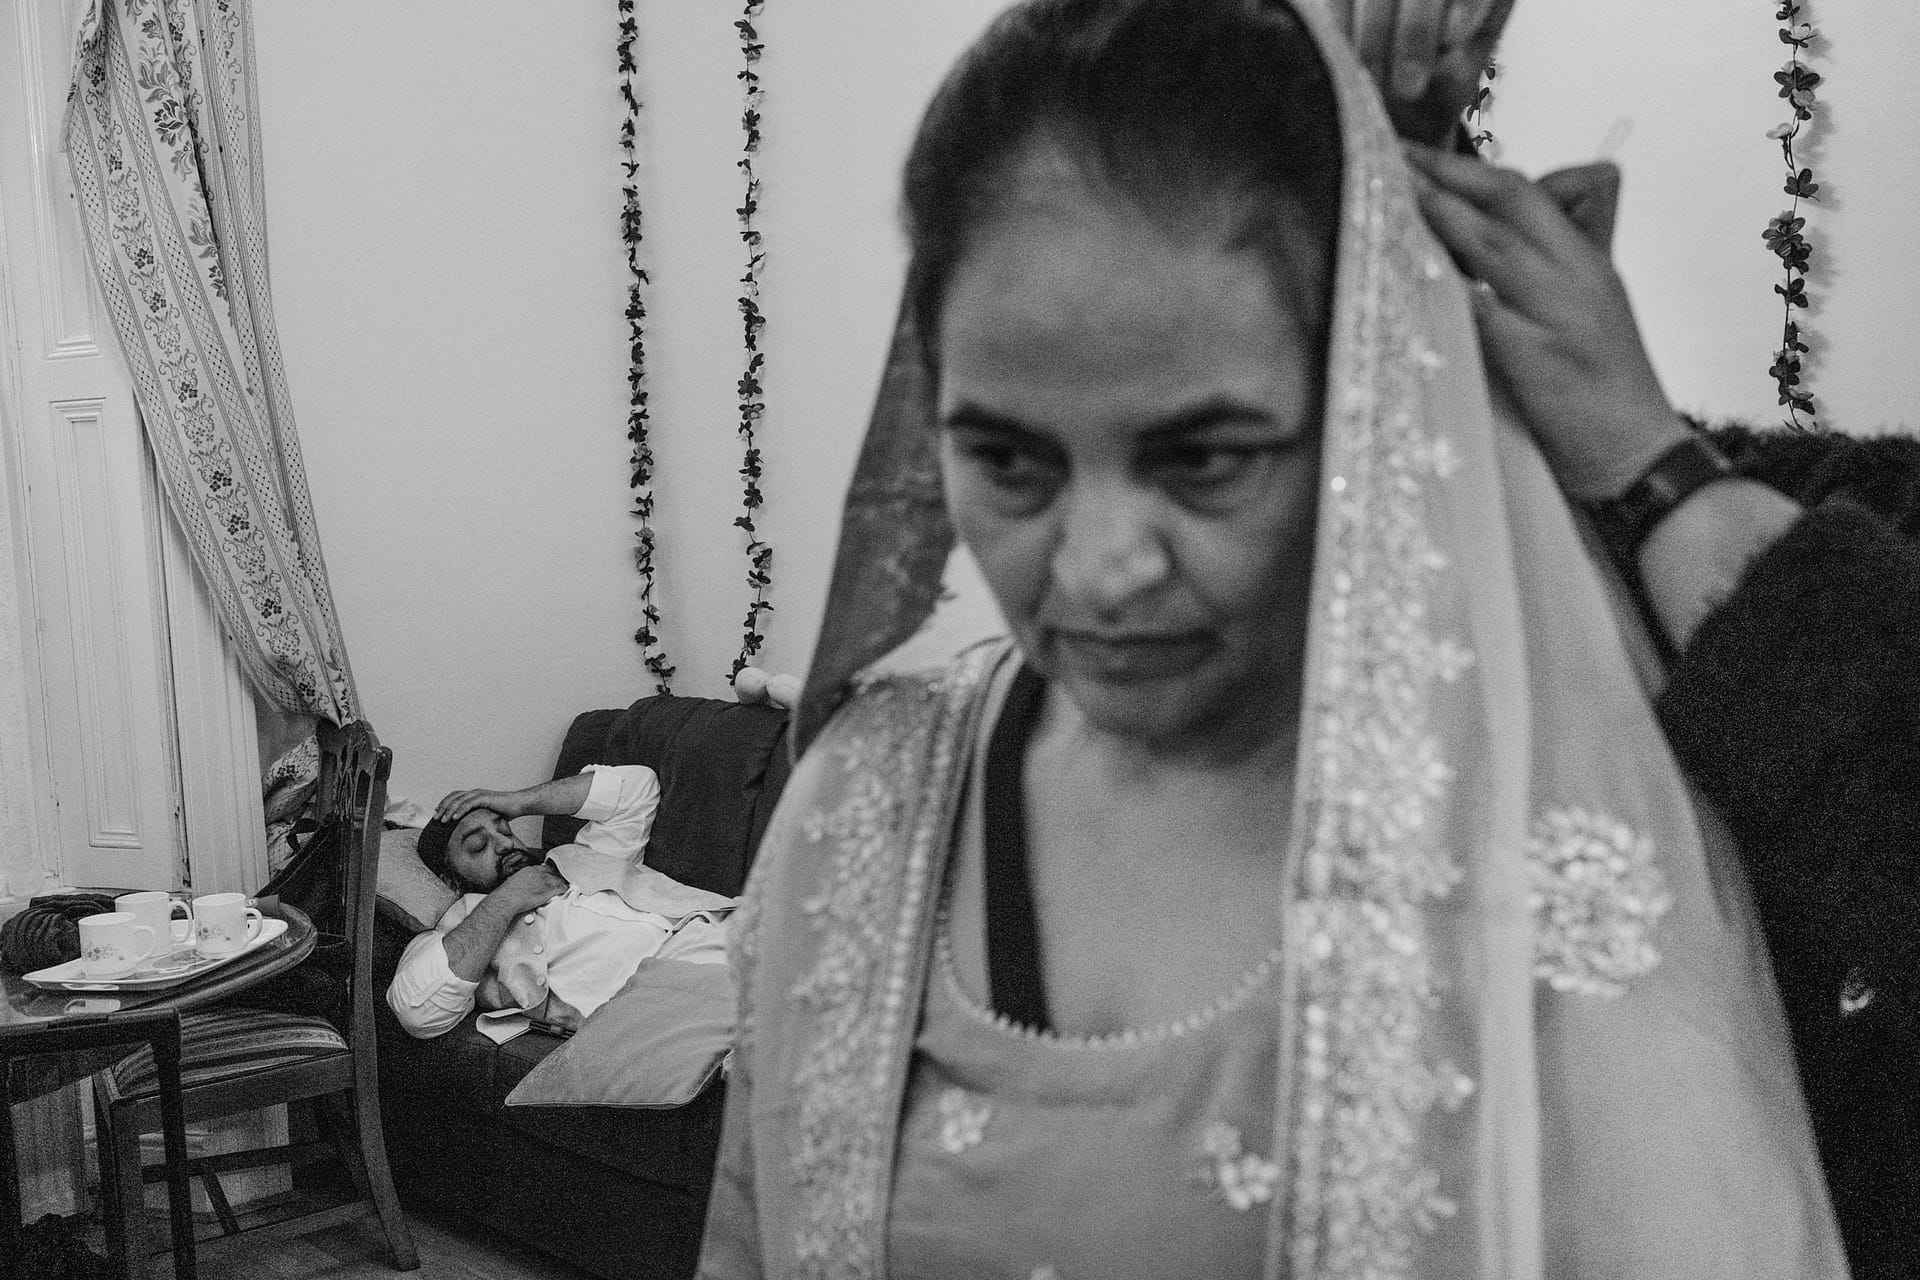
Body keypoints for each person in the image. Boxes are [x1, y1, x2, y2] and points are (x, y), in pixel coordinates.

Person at [696, 1, 1850, 1276]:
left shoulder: (1536, 843)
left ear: (1373, 411)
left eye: (1204, 460)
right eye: (1009, 461)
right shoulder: (863, 808)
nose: (1098, 569)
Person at [385, 763, 736, 1040]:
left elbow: (637, 788)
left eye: (504, 830)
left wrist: (518, 802)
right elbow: (419, 1011)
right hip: (685, 998)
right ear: (450, 879)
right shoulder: (454, 934)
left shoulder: (579, 856)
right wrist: (509, 898)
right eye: (478, 846)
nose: (505, 844)